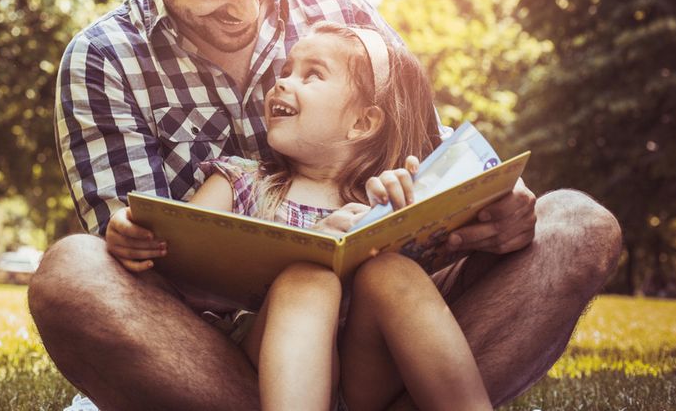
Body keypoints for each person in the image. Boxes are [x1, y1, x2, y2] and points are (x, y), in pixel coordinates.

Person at [28, 0, 622, 411]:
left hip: (388, 337)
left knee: (577, 223)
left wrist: (500, 207)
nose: (245, 10)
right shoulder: (104, 59)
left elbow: (436, 160)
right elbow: (144, 280)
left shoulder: (340, 18)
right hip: (227, 355)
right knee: (73, 273)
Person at [107, 21, 493, 411]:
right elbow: (175, 262)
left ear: (362, 123)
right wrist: (130, 229)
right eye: (286, 71)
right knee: (308, 281)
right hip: (263, 370)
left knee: (393, 273)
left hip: (366, 376)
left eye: (312, 75)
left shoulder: (385, 196)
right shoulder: (239, 182)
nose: (283, 83)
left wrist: (401, 213)